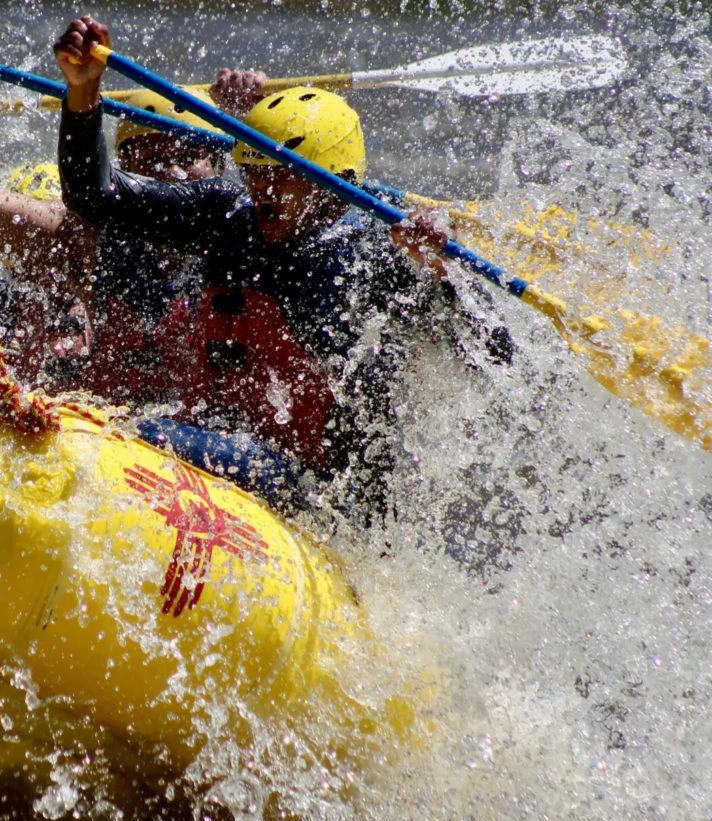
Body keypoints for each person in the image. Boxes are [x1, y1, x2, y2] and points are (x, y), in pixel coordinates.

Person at [54, 16, 514, 518]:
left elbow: (497, 358)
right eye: (255, 174)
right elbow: (93, 196)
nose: (263, 193)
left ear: (336, 184)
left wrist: (444, 273)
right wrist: (82, 93)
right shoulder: (226, 214)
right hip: (218, 441)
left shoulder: (378, 255)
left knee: (143, 437)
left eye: (283, 179)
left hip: (324, 492)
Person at [0, 21, 227, 400]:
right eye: (149, 157)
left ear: (219, 167)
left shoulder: (245, 234)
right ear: (121, 169)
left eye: (187, 155)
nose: (170, 171)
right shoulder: (82, 235)